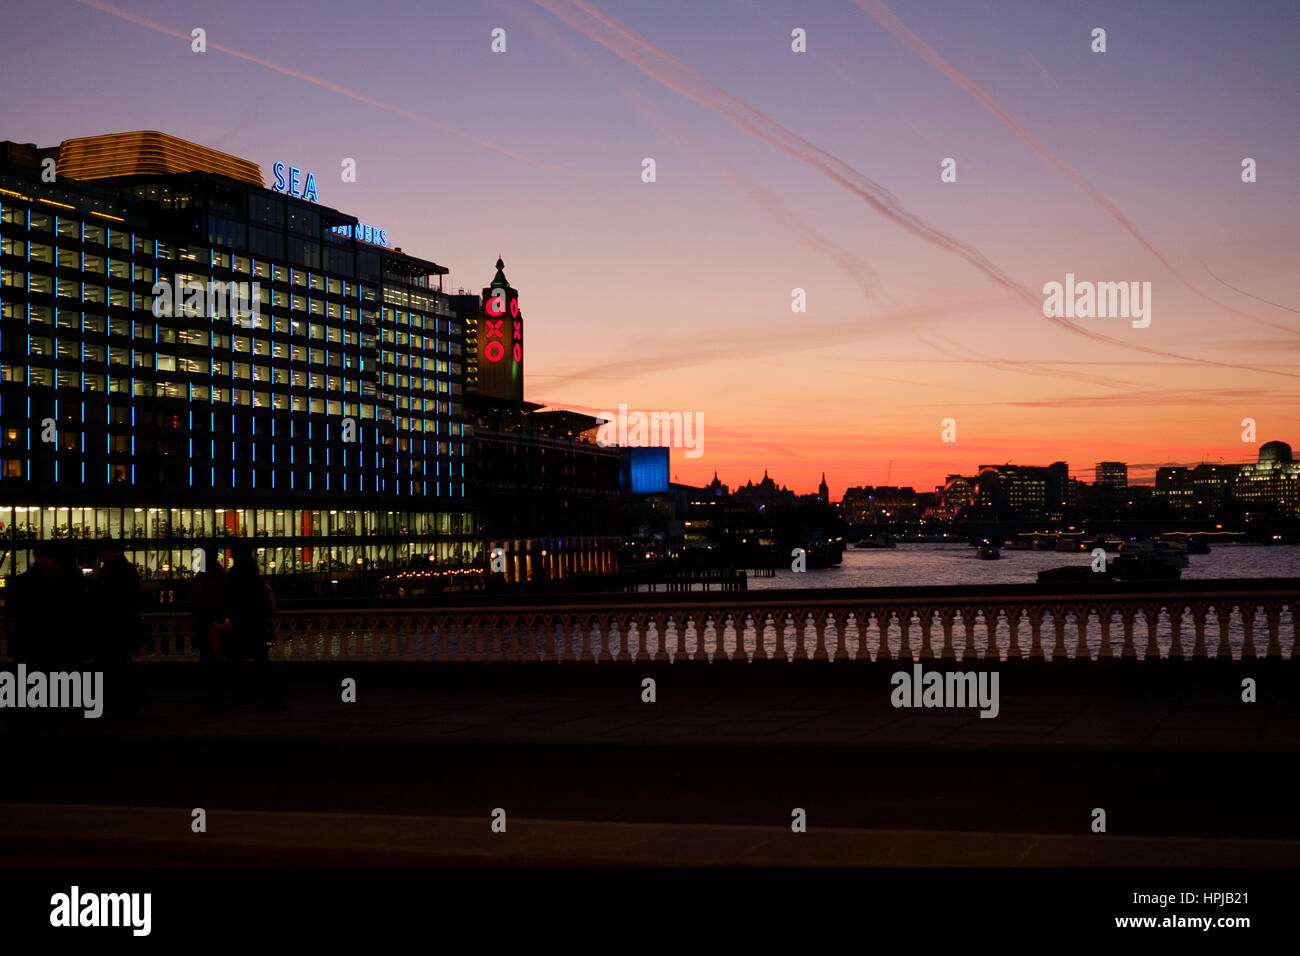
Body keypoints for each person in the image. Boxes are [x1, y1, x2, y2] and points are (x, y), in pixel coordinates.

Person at [6, 542, 87, 669]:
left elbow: (12, 613)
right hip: (65, 644)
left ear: (36, 557)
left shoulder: (21, 582)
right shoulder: (74, 580)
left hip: (31, 644)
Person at [90, 539, 144, 717]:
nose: (99, 555)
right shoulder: (126, 569)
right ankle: (122, 704)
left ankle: (115, 704)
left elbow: (108, 597)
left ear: (107, 551)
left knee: (111, 665)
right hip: (122, 623)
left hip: (112, 625)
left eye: (101, 551)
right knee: (117, 665)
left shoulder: (113, 570)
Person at [223, 543, 282, 709]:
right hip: (257, 620)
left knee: (235, 657)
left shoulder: (234, 573)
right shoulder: (254, 572)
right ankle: (269, 695)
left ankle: (233, 693)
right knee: (260, 657)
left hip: (240, 621)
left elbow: (229, 596)